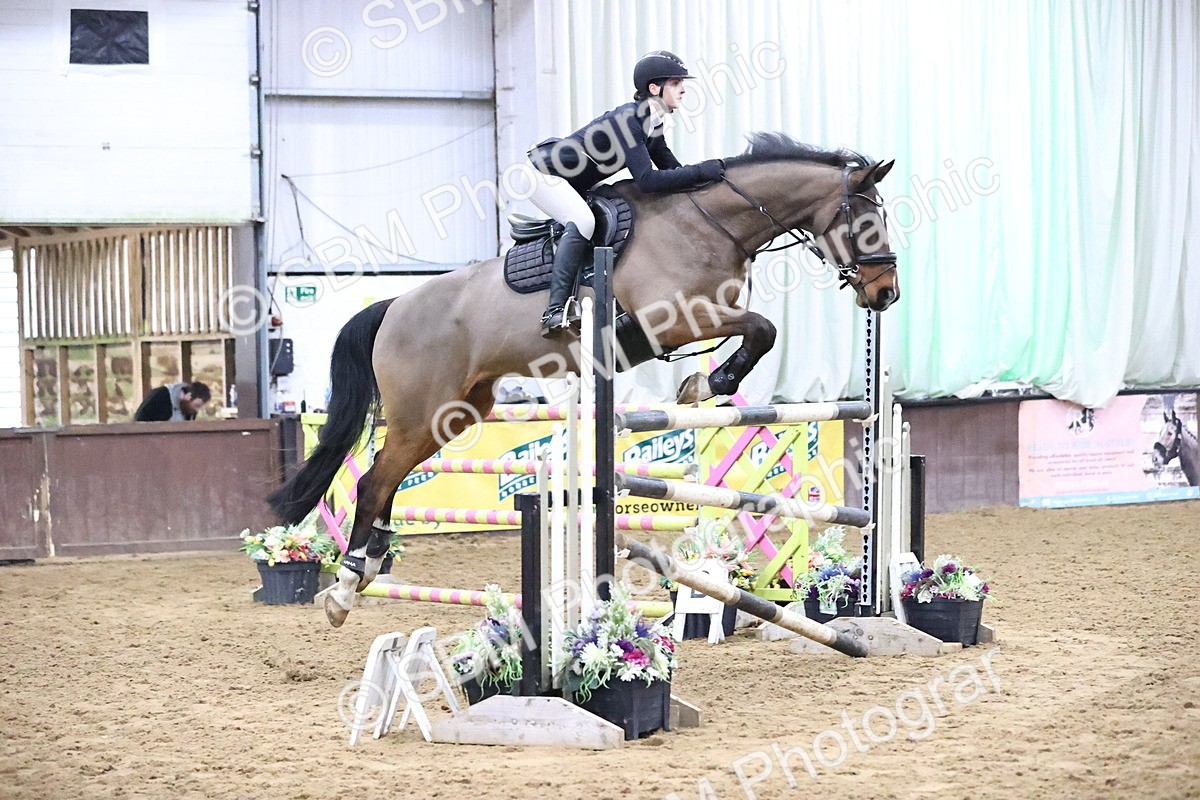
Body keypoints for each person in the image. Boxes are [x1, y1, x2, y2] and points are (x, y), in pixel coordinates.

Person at [527, 50, 726, 335]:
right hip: (542, 174)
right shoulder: (630, 120)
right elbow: (647, 180)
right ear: (654, 88)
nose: (683, 89)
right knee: (584, 221)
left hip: (575, 180)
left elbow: (673, 170)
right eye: (675, 83)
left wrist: (710, 182)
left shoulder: (652, 123)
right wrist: (700, 171)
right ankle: (554, 311)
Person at [133, 380, 212, 421]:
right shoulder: (160, 396)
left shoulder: (188, 412)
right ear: (188, 396)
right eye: (196, 406)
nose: (196, 410)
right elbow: (139, 418)